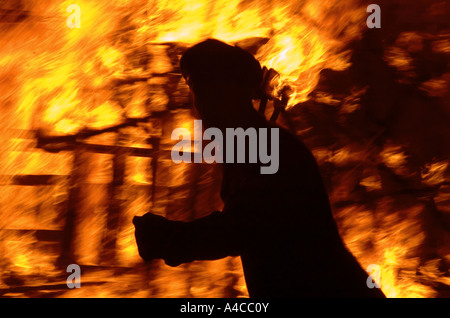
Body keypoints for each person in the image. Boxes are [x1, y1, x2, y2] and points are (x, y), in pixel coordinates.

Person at [133, 39, 386, 298]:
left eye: (212, 88)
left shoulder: (268, 148)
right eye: (197, 89)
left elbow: (241, 228)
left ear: (237, 91)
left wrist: (170, 239)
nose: (203, 102)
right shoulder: (247, 147)